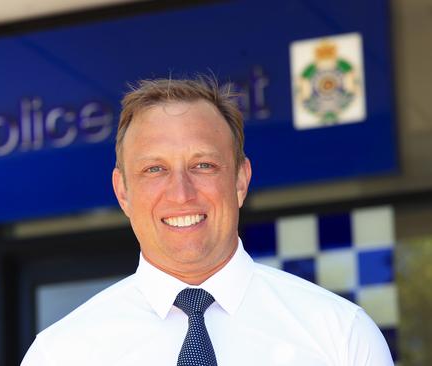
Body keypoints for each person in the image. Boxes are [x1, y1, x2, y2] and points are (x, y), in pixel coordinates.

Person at [21, 77, 394, 365]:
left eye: (203, 165)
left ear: (240, 181)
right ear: (122, 192)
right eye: (155, 169)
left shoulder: (341, 335)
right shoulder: (60, 354)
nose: (181, 193)